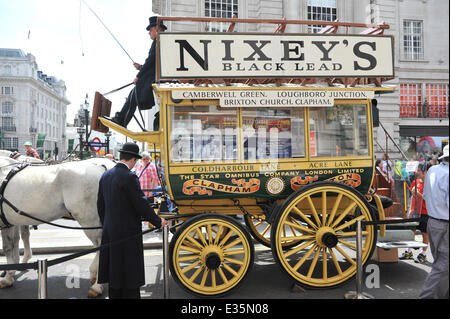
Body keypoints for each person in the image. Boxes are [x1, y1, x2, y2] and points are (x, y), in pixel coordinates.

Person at [97, 142, 168, 299]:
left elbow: (100, 205)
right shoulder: (129, 177)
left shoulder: (105, 175)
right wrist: (158, 221)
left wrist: (107, 223)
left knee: (114, 272)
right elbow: (140, 204)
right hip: (128, 232)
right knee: (129, 274)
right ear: (133, 160)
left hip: (110, 231)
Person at [107, 16, 167, 129]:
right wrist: (140, 67)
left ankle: (121, 120)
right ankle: (121, 119)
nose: (149, 33)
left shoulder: (158, 41)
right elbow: (153, 63)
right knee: (133, 93)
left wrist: (138, 76)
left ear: (157, 29)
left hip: (154, 78)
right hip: (155, 75)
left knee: (135, 92)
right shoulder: (161, 41)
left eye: (150, 30)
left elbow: (150, 61)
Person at [419, 145, 449, 299]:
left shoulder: (433, 170)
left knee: (441, 263)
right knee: (443, 265)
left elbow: (425, 195)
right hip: (445, 224)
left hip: (433, 221)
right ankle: (428, 296)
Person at [400, 162, 430, 263]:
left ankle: (423, 253)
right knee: (411, 231)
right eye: (417, 170)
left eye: (419, 171)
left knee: (424, 233)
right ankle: (408, 251)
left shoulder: (430, 184)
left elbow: (430, 199)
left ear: (425, 172)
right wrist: (411, 209)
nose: (417, 172)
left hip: (426, 212)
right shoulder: (415, 182)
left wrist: (419, 194)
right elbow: (413, 196)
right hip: (415, 211)